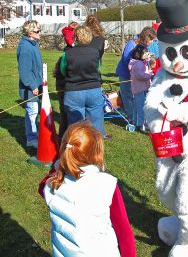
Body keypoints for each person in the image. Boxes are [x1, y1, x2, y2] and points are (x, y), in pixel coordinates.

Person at [39, 121, 136, 257]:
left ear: (64, 150)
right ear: (96, 153)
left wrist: (60, 166)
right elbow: (123, 231)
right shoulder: (106, 184)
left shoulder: (51, 184)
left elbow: (42, 185)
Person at [60, 25, 109, 139]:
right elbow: (97, 68)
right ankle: (95, 147)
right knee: (96, 122)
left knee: (76, 125)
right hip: (93, 90)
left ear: (76, 37)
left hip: (74, 91)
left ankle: (78, 147)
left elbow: (63, 70)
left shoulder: (67, 54)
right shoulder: (95, 53)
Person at [116, 27, 156, 122]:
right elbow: (127, 60)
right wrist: (139, 66)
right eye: (150, 40)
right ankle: (132, 118)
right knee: (128, 96)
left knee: (136, 97)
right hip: (126, 74)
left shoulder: (143, 45)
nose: (151, 42)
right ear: (145, 38)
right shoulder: (132, 44)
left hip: (136, 75)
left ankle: (138, 117)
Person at [17, 20, 43, 148]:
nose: (40, 33)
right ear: (29, 32)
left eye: (40, 30)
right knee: (32, 112)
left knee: (34, 111)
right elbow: (24, 72)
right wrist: (33, 86)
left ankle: (35, 134)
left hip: (37, 85)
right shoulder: (25, 47)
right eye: (37, 31)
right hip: (30, 88)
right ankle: (31, 139)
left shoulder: (33, 44)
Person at [128, 44, 153, 132]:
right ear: (139, 54)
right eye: (145, 53)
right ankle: (140, 124)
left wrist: (147, 67)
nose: (147, 54)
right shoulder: (138, 64)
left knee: (139, 106)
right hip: (140, 89)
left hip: (140, 89)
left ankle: (137, 122)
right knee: (141, 107)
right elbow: (141, 75)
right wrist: (149, 74)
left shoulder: (139, 63)